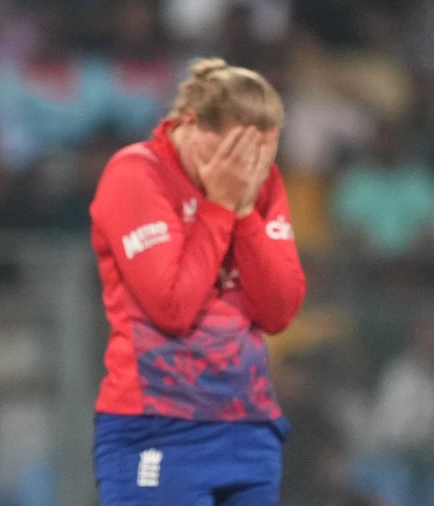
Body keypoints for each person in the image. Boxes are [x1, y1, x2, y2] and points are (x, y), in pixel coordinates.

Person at [89, 57, 306, 505]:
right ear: (189, 124)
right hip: (157, 426)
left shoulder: (258, 181)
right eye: (236, 152)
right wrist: (222, 206)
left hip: (249, 428)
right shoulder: (136, 173)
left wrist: (244, 213)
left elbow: (278, 312)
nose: (249, 170)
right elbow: (172, 308)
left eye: (263, 155)